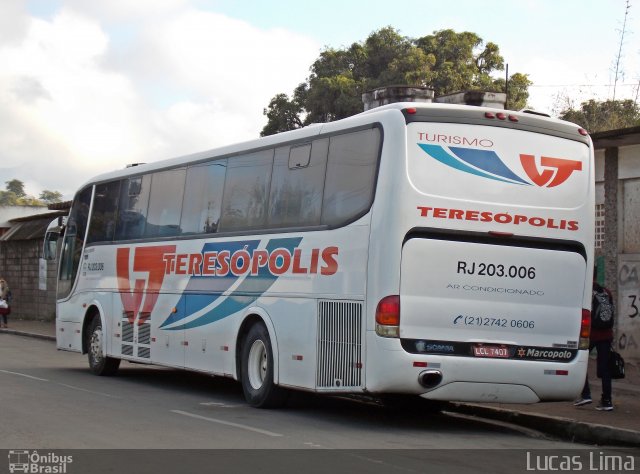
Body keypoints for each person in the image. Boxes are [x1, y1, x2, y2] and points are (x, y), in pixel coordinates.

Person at [574, 272, 614, 411]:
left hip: (591, 334)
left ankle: (586, 395)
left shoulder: (586, 293)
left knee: (580, 361)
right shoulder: (607, 292)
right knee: (605, 369)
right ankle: (607, 401)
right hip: (606, 335)